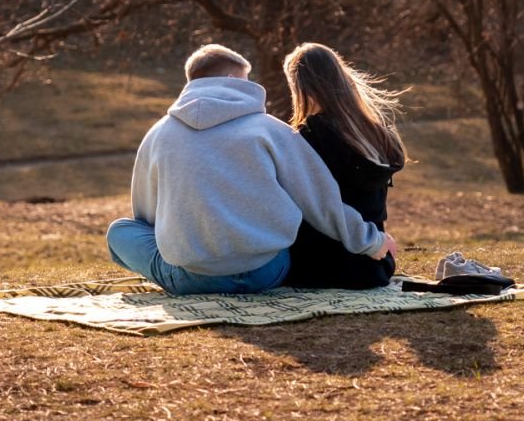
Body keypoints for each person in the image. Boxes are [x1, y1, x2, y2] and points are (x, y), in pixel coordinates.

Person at [106, 44, 397, 295]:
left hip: (193, 278)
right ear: (232, 79)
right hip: (267, 271)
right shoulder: (272, 130)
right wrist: (371, 242)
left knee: (120, 232)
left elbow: (146, 219)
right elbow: (321, 200)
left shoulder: (158, 135)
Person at [281, 43, 406, 289]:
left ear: (300, 87)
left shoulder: (306, 137)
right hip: (374, 266)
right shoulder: (377, 134)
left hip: (316, 267)